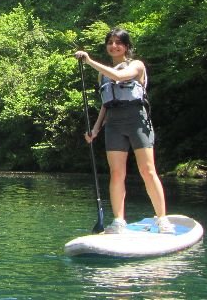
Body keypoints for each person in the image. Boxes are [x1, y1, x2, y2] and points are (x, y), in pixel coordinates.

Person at [75, 27, 175, 234]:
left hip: (136, 120)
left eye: (118, 42)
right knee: (116, 173)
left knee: (147, 171)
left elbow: (120, 78)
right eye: (110, 42)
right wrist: (95, 129)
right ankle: (119, 221)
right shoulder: (102, 76)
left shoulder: (136, 65)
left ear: (126, 46)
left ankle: (162, 219)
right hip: (114, 124)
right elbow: (106, 103)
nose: (114, 46)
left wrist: (89, 61)